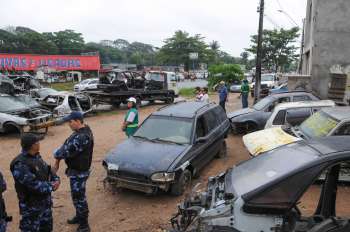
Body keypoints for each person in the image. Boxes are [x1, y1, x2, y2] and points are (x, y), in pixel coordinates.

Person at [10, 133, 60, 232]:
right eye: (38, 142)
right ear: (33, 145)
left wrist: (56, 178)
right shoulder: (20, 164)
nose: (39, 144)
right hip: (31, 208)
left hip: (45, 204)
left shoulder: (36, 157)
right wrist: (52, 186)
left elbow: (47, 170)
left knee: (46, 228)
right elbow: (33, 185)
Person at [53, 111, 94, 232]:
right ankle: (79, 216)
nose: (69, 125)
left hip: (79, 172)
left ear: (77, 121)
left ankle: (84, 224)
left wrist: (56, 154)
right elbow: (66, 146)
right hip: (76, 171)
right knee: (76, 197)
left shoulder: (82, 136)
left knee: (79, 197)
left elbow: (65, 151)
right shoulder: (81, 131)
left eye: (70, 122)